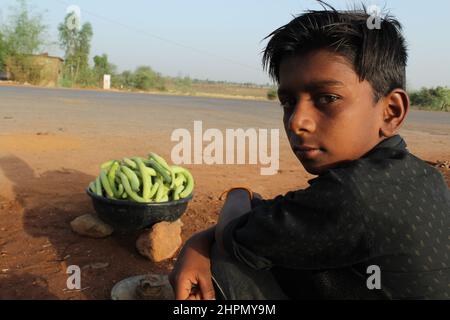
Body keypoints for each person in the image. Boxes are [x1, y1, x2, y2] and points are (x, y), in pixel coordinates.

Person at [169, 5, 450, 300]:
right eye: (288, 101)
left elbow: (231, 237)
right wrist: (204, 238)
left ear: (391, 112)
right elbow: (272, 223)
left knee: (223, 265)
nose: (297, 121)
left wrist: (238, 194)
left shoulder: (354, 193)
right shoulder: (422, 176)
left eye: (327, 98)